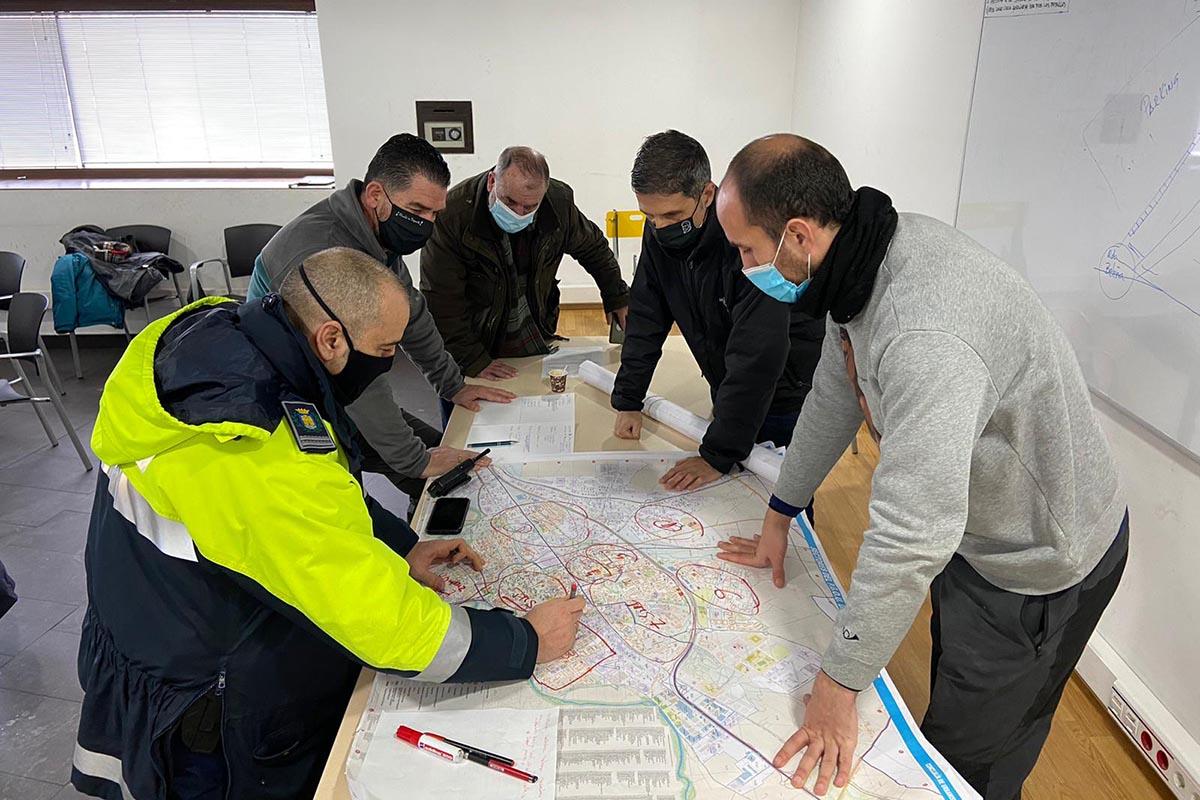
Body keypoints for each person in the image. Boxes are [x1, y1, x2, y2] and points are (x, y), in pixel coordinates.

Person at [72, 247, 585, 800]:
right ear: (332, 339)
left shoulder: (225, 336)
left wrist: (399, 545)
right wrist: (523, 642)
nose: (389, 363)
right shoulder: (249, 448)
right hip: (204, 696)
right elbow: (377, 621)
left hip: (165, 614)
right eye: (386, 349)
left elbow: (324, 482)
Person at [713, 135, 1127, 800]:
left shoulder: (924, 329)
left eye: (746, 250)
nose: (742, 266)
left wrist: (838, 684)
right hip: (975, 526)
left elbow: (912, 533)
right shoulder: (856, 263)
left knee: (969, 763)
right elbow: (834, 393)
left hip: (1042, 557)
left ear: (795, 235)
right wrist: (780, 512)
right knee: (952, 693)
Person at [248, 134, 514, 512]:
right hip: (287, 402)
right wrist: (415, 461)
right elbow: (359, 375)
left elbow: (412, 315)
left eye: (435, 214)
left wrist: (453, 385)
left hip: (334, 383)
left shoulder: (375, 235)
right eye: (418, 210)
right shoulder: (321, 250)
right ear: (375, 195)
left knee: (448, 466)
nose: (426, 225)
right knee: (352, 500)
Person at [611, 130, 824, 500]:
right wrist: (630, 398)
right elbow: (647, 313)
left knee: (781, 501)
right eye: (649, 216)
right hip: (732, 384)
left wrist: (717, 455)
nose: (660, 227)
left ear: (706, 195)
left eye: (672, 214)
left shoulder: (746, 236)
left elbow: (757, 354)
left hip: (786, 391)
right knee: (730, 504)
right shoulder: (660, 231)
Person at [420, 146, 630, 379]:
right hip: (470, 336)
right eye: (510, 202)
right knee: (463, 404)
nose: (519, 213)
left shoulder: (557, 203)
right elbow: (441, 299)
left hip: (533, 328)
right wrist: (472, 360)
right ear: (492, 181)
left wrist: (616, 295)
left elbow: (593, 248)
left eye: (530, 207)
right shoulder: (452, 215)